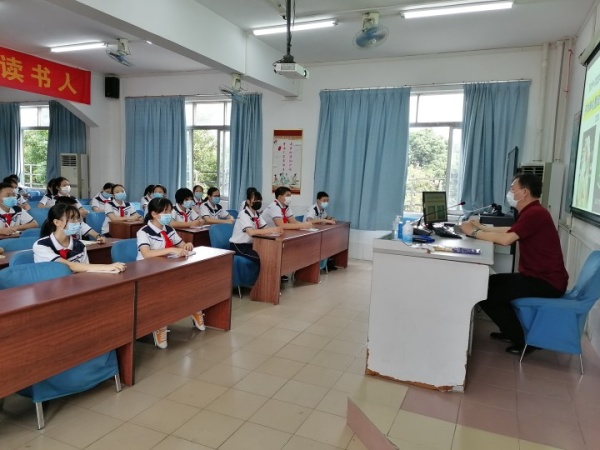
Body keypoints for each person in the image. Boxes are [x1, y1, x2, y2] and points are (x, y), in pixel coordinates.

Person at [459, 173, 568, 355]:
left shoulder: (535, 214)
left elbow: (506, 239)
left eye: (513, 189)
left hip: (547, 282)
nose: (510, 192)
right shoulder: (533, 211)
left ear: (524, 192)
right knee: (488, 283)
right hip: (538, 276)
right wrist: (481, 227)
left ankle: (523, 341)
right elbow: (511, 230)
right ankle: (510, 330)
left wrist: (473, 233)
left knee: (487, 294)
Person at [137, 198, 204, 348]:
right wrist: (171, 249)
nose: (169, 214)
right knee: (165, 293)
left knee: (193, 282)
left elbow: (181, 245)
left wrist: (187, 245)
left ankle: (194, 308)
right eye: (165, 211)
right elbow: (146, 254)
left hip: (166, 268)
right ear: (154, 214)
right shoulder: (144, 232)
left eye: (169, 211)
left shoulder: (169, 229)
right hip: (147, 272)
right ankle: (159, 325)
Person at [33, 203, 125, 273]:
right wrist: (108, 267)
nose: (77, 222)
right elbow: (68, 266)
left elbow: (86, 269)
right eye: (72, 219)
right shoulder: (41, 245)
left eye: (78, 219)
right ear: (57, 222)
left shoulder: (79, 245)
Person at [229, 190, 282, 265]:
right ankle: (260, 273)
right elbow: (251, 232)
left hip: (251, 244)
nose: (258, 202)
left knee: (269, 253)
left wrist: (276, 231)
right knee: (260, 257)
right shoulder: (244, 214)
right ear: (248, 201)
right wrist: (271, 230)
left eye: (259, 200)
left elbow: (265, 228)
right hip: (238, 245)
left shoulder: (257, 214)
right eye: (256, 200)